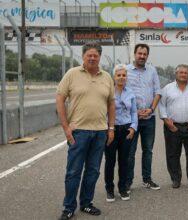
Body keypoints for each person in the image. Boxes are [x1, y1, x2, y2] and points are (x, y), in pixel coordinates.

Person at [56, 42, 115, 220]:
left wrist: (111, 128)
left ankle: (86, 203)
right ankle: (68, 208)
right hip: (78, 132)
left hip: (99, 132)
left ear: (99, 57)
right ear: (83, 56)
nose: (92, 58)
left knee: (93, 171)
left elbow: (111, 103)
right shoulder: (72, 74)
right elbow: (60, 99)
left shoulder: (106, 77)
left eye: (95, 55)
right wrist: (66, 127)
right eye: (89, 55)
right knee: (73, 171)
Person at [159, 64, 188, 190]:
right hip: (172, 126)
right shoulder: (167, 88)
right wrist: (167, 121)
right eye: (181, 72)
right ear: (176, 74)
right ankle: (176, 179)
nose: (183, 75)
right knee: (173, 154)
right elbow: (162, 106)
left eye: (186, 73)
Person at [126, 43, 161, 191]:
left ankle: (147, 180)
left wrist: (151, 109)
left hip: (149, 119)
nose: (142, 56)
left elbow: (158, 92)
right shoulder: (125, 71)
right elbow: (120, 93)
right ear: (134, 54)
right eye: (139, 53)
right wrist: (134, 112)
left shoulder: (152, 71)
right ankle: (127, 182)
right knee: (130, 152)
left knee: (148, 151)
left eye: (144, 54)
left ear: (147, 55)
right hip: (131, 119)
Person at [104, 64, 138, 202]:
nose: (121, 77)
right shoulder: (108, 91)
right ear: (114, 77)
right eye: (119, 75)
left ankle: (122, 188)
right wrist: (107, 129)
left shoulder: (130, 92)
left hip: (126, 130)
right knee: (110, 161)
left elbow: (134, 111)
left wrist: (133, 127)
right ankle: (109, 189)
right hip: (111, 130)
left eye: (124, 75)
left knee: (124, 161)